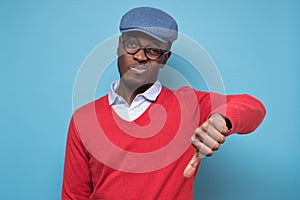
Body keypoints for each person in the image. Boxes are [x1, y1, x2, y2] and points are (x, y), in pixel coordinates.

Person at [62, 7, 266, 200]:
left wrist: (223, 119)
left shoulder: (189, 105)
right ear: (119, 47)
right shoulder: (84, 119)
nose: (140, 57)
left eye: (152, 50)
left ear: (164, 59)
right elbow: (74, 196)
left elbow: (253, 106)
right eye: (132, 45)